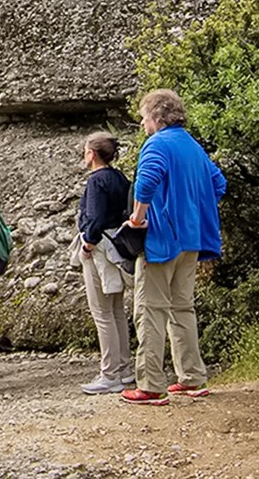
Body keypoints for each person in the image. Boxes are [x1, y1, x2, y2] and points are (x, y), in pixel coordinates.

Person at [122, 90, 226, 406]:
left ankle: (151, 385)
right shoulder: (193, 146)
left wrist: (138, 218)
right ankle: (192, 378)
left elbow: (146, 181)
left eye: (143, 117)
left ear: (156, 117)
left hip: (162, 239)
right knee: (183, 307)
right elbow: (218, 184)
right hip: (192, 239)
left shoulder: (158, 143)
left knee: (150, 309)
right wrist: (193, 209)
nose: (142, 123)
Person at [77, 132, 135, 394]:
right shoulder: (119, 177)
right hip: (118, 245)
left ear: (92, 153)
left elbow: (95, 217)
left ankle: (109, 372)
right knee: (116, 310)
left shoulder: (96, 181)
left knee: (102, 312)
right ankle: (124, 368)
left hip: (100, 248)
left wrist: (87, 243)